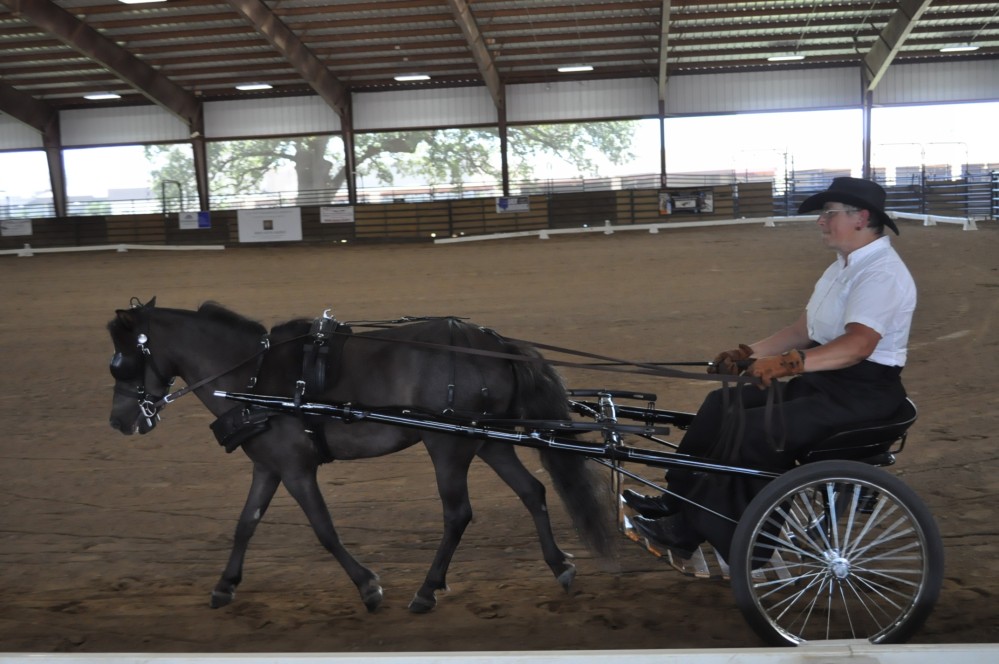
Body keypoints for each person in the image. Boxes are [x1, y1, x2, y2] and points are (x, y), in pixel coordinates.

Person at [627, 177, 916, 561]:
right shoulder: (843, 267)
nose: (821, 222)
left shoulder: (881, 273)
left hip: (861, 394)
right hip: (827, 384)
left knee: (757, 431)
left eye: (828, 214)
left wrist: (786, 364)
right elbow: (801, 331)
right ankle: (678, 501)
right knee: (721, 405)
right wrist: (747, 354)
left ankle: (710, 532)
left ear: (861, 217)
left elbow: (858, 345)